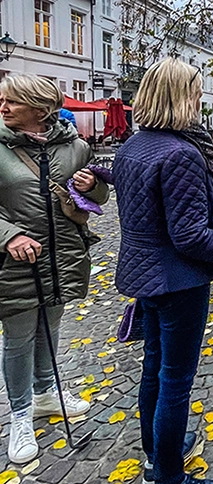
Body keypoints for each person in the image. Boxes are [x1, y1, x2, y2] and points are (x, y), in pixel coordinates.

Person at [112, 57, 213, 484]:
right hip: (178, 280)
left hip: (145, 275)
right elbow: (192, 236)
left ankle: (158, 458)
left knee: (155, 369)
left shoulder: (134, 145)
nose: (202, 101)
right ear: (181, 98)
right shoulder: (182, 154)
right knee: (174, 380)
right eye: (197, 94)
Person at [0, 75, 108, 464]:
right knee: (19, 334)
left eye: (12, 101)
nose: (3, 107)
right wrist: (9, 236)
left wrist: (93, 185)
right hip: (16, 261)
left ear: (39, 109)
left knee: (52, 324)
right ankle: (20, 415)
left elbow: (96, 199)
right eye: (3, 101)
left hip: (63, 254)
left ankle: (46, 393)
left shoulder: (76, 147)